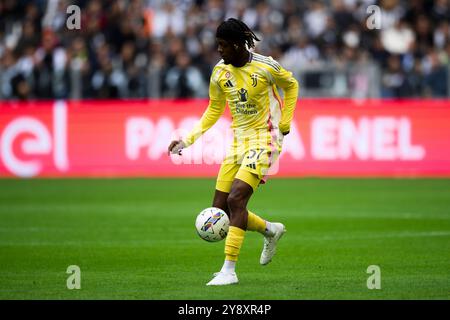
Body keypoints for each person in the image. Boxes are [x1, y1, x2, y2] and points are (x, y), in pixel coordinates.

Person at [168, 18, 299, 286]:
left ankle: (229, 270)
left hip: (266, 139)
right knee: (221, 210)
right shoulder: (219, 72)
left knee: (237, 199)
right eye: (218, 45)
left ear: (238, 45)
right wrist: (187, 140)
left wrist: (286, 121)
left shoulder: (265, 66)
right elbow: (213, 110)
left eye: (223, 45)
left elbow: (292, 85)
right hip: (238, 142)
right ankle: (270, 230)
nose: (219, 50)